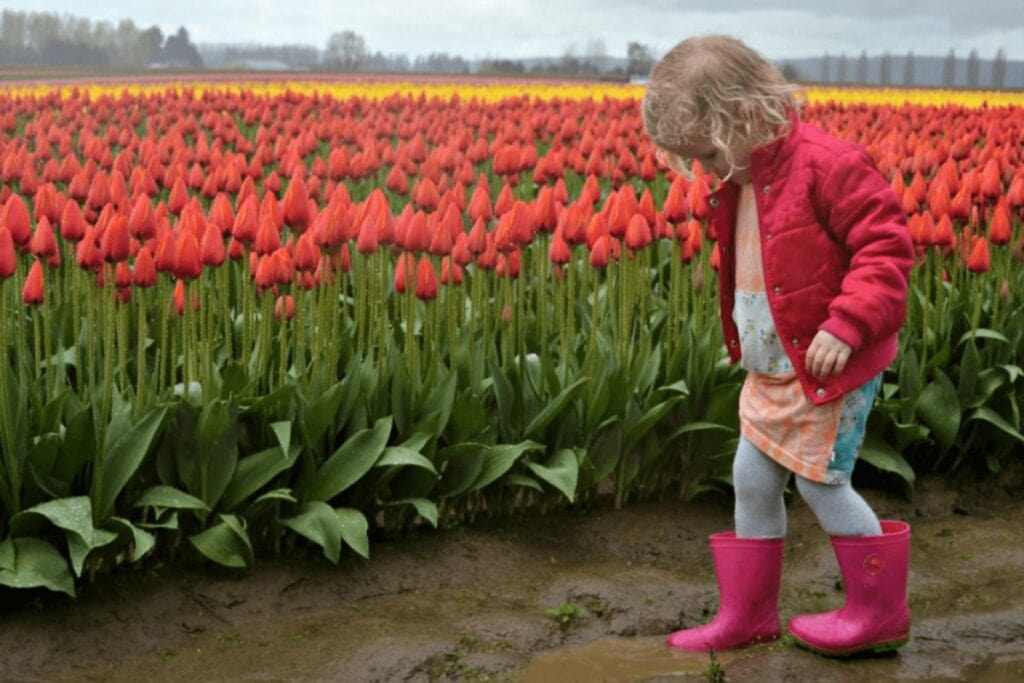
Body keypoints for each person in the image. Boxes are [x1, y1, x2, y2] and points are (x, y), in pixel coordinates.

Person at [642, 35, 915, 657]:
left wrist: (846, 324)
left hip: (827, 365)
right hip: (773, 366)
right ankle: (749, 614)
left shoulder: (830, 164)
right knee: (751, 478)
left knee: (822, 483)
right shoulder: (741, 177)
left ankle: (880, 613)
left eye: (708, 152)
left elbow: (887, 249)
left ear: (740, 114)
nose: (705, 168)